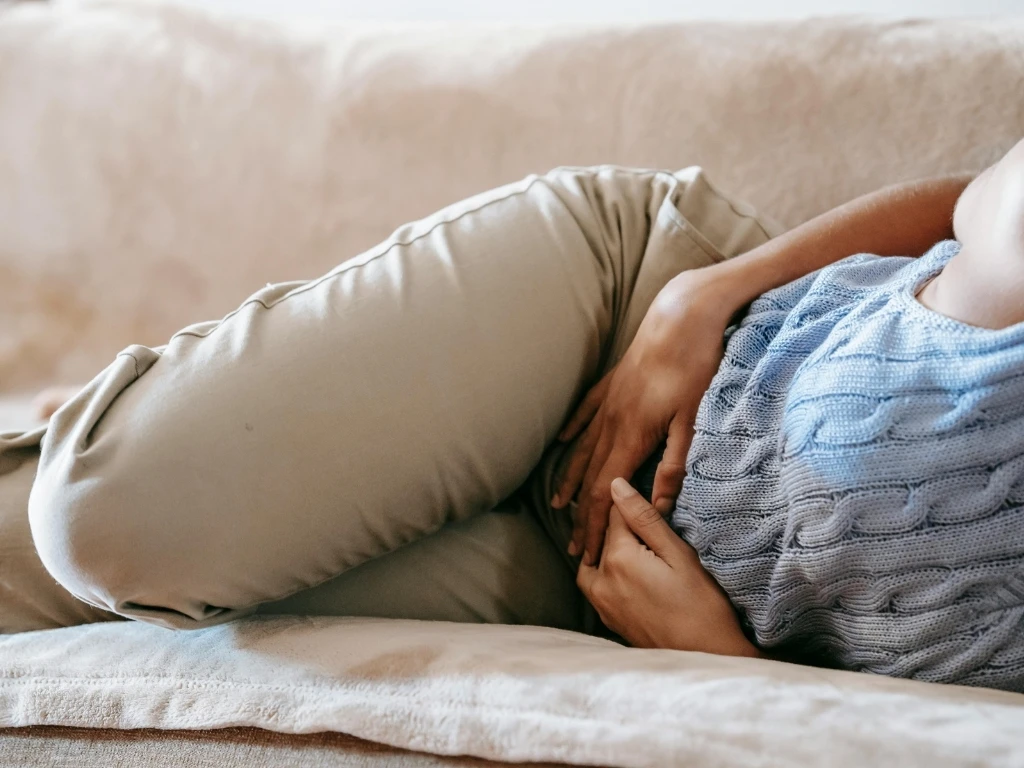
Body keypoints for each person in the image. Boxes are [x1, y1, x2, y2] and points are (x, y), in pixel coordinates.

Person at [3, 139, 1022, 691]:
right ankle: (115, 415)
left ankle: (86, 416)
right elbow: (969, 199)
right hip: (629, 324)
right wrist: (700, 295)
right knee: (106, 517)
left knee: (29, 579)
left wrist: (725, 669)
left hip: (607, 594)